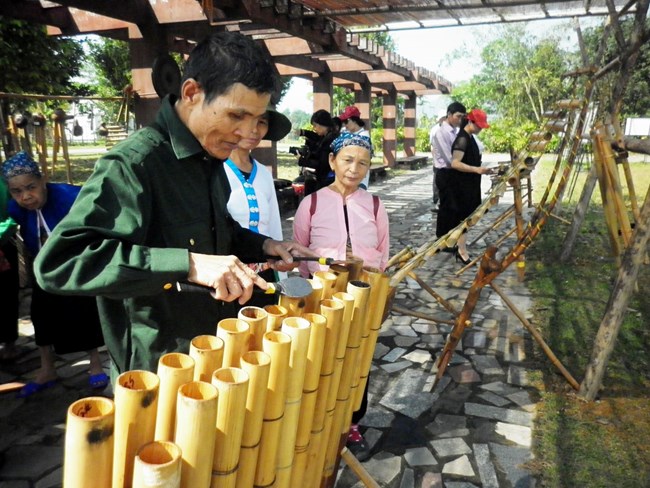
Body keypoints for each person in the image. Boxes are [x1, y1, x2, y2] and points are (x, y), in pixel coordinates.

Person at [33, 31, 315, 376]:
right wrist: (187, 264)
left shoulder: (210, 158)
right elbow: (62, 262)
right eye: (235, 116)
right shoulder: (134, 165)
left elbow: (218, 229)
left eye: (257, 120)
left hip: (216, 346)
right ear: (192, 93)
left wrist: (265, 245)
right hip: (159, 367)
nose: (247, 134)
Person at [293, 132, 389, 460]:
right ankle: (317, 420)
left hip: (363, 295)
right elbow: (300, 252)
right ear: (333, 161)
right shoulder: (313, 202)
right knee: (321, 360)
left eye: (363, 162)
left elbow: (383, 254)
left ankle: (351, 422)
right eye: (347, 160)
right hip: (324, 298)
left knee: (358, 360)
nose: (354, 168)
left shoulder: (375, 205)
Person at [2, 151, 108, 397]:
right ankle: (47, 368)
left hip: (75, 265)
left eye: (31, 187)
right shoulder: (16, 209)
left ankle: (95, 364)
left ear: (43, 180)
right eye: (17, 191)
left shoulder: (71, 197)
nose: (26, 196)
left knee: (84, 312)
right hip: (43, 267)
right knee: (41, 316)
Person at [224, 106, 291, 308]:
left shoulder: (263, 173)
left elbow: (273, 228)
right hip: (229, 281)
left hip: (266, 278)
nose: (254, 129)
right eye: (245, 119)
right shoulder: (215, 169)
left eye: (262, 122)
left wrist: (283, 277)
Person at [448, 108, 494, 264]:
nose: (481, 129)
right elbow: (455, 163)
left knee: (467, 217)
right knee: (463, 219)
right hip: (462, 185)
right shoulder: (462, 139)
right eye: (479, 126)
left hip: (471, 183)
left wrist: (484, 170)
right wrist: (477, 169)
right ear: (470, 121)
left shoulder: (470, 137)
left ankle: (461, 246)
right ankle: (461, 250)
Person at [432, 101, 467, 249]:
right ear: (449, 115)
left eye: (462, 117)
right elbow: (449, 158)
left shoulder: (456, 131)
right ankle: (441, 238)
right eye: (458, 116)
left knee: (455, 207)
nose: (460, 120)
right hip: (445, 172)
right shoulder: (441, 132)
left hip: (454, 172)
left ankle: (451, 238)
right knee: (447, 207)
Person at [296, 109, 339, 193]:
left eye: (315, 126)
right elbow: (315, 136)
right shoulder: (330, 135)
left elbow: (322, 164)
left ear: (322, 124)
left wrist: (302, 161)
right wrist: (303, 132)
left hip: (328, 181)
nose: (314, 128)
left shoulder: (329, 140)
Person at [0, 176, 19, 363]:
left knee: (6, 296)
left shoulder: (4, 183)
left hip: (2, 244)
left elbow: (13, 213)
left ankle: (9, 342)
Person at [338, 105, 372, 190]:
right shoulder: (349, 134)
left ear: (353, 120)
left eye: (346, 122)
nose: (345, 125)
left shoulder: (364, 136)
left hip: (359, 179)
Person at [429, 109, 448, 212]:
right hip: (438, 160)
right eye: (443, 118)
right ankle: (437, 200)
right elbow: (432, 145)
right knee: (437, 181)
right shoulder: (435, 130)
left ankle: (444, 201)